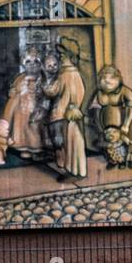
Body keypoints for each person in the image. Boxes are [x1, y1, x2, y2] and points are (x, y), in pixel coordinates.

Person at [43, 38, 88, 180]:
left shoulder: (64, 74)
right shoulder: (75, 73)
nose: (60, 57)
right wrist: (75, 105)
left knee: (67, 143)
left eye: (62, 55)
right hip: (70, 114)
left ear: (69, 56)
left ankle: (72, 170)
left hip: (62, 114)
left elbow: (52, 91)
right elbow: (80, 92)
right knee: (72, 143)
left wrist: (45, 80)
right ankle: (75, 170)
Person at [1, 46, 47, 157]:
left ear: (40, 65)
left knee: (34, 128)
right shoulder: (20, 77)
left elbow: (45, 92)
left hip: (35, 108)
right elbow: (13, 90)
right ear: (23, 64)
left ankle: (36, 149)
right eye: (28, 62)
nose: (32, 64)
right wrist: (14, 91)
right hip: (21, 109)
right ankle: (24, 148)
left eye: (35, 62)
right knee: (21, 129)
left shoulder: (42, 78)